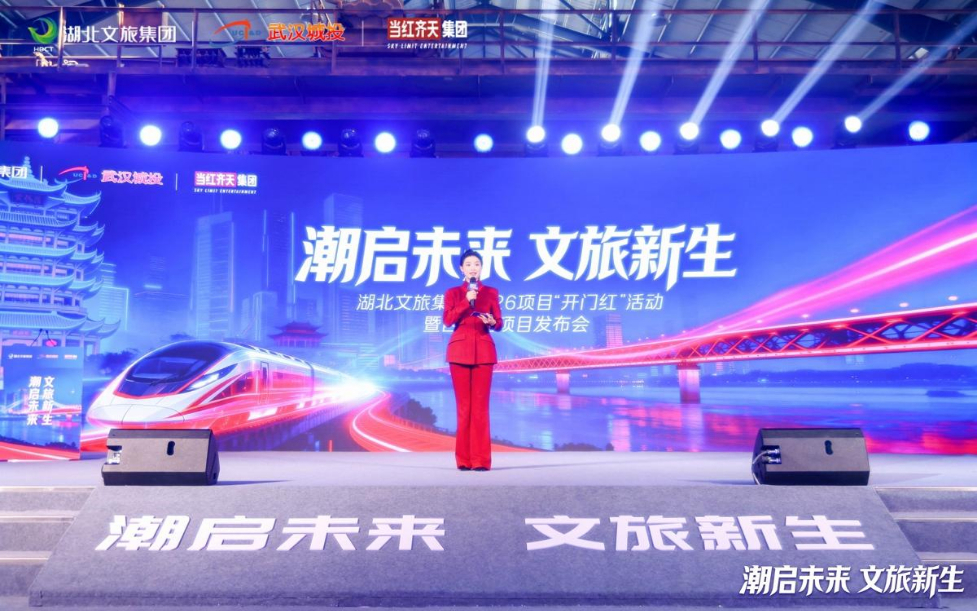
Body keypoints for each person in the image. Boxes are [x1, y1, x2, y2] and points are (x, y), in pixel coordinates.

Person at [443, 249, 503, 471]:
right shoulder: (452, 293)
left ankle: (481, 461)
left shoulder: (491, 292)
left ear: (481, 267)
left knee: (480, 408)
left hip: (484, 353)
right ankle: (463, 460)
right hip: (459, 352)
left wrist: (492, 321)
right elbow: (447, 320)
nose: (473, 268)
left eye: (476, 264)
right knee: (464, 408)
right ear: (462, 269)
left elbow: (499, 323)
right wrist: (466, 301)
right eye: (468, 264)